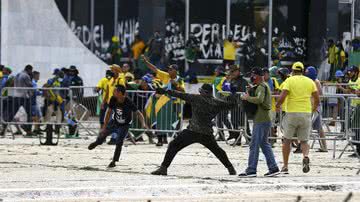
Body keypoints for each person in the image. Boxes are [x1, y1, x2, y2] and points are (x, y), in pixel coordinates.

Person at [150, 84, 237, 176]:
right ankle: (231, 168)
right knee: (218, 151)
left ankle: (163, 168)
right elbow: (231, 105)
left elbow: (180, 94)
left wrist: (165, 91)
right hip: (206, 133)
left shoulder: (196, 98)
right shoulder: (217, 102)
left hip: (192, 131)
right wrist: (233, 94)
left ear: (202, 92)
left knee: (173, 145)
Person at [88, 85, 148, 168]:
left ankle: (114, 161)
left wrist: (143, 124)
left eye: (115, 91)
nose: (113, 92)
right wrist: (104, 127)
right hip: (114, 122)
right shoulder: (113, 99)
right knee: (102, 135)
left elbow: (139, 113)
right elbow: (108, 112)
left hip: (124, 125)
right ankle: (97, 142)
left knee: (119, 142)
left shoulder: (128, 102)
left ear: (120, 93)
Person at [276, 62, 320, 174]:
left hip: (292, 113)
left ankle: (285, 166)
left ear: (293, 70)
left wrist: (277, 105)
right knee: (304, 141)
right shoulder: (310, 81)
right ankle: (305, 156)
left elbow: (283, 94)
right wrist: (313, 109)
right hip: (306, 112)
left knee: (287, 140)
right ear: (303, 70)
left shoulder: (289, 80)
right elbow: (317, 98)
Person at [238, 67, 279, 177]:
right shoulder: (261, 86)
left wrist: (247, 98)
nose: (252, 77)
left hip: (261, 119)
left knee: (254, 144)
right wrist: (251, 90)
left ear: (258, 76)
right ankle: (273, 167)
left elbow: (260, 100)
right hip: (264, 118)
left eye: (253, 75)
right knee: (264, 144)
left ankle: (251, 169)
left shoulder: (262, 86)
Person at [142, 54, 185, 146]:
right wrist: (146, 62)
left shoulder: (180, 80)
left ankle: (175, 139)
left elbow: (183, 91)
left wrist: (176, 85)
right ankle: (160, 140)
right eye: (168, 69)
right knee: (159, 120)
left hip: (174, 103)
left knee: (174, 122)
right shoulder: (166, 76)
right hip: (162, 103)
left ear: (176, 71)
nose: (168, 71)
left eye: (170, 69)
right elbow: (155, 69)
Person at [6, 65, 35, 136]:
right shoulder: (26, 76)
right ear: (29, 70)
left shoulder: (17, 75)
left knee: (12, 113)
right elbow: (30, 86)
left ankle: (3, 128)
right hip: (24, 97)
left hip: (16, 96)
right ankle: (28, 130)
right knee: (30, 114)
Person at [225, 65, 250, 145]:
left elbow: (243, 93)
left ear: (238, 71)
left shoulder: (243, 81)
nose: (232, 73)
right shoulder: (230, 81)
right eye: (231, 72)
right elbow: (226, 91)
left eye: (234, 71)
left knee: (244, 123)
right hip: (233, 105)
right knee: (234, 122)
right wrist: (228, 81)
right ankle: (237, 140)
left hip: (241, 105)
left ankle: (249, 139)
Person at [101, 64, 126, 144]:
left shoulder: (120, 80)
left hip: (117, 103)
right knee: (109, 121)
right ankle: (113, 137)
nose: (111, 71)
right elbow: (107, 92)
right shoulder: (110, 80)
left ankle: (114, 138)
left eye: (112, 70)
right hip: (110, 103)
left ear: (116, 71)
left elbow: (123, 92)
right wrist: (103, 102)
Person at [305, 66, 328, 152]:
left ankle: (303, 146)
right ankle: (324, 147)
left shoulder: (316, 82)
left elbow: (320, 96)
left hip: (316, 107)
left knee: (308, 126)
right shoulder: (310, 81)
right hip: (312, 107)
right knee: (319, 128)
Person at [43, 69, 65, 136]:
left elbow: (58, 92)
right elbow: (46, 89)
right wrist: (50, 97)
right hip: (50, 100)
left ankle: (57, 130)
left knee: (59, 114)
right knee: (49, 114)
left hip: (57, 101)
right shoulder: (51, 81)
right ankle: (48, 129)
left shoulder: (59, 82)